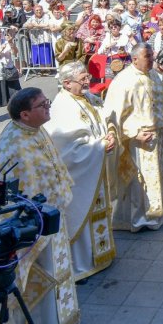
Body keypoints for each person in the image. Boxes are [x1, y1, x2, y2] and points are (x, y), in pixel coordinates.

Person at [0, 89, 80, 324]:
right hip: (32, 230)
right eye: (42, 105)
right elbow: (10, 198)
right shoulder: (13, 145)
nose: (48, 107)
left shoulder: (35, 130)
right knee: (39, 279)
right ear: (24, 114)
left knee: (56, 272)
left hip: (50, 219)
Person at [46, 62, 117, 280]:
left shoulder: (83, 98)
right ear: (67, 83)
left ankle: (100, 255)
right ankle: (83, 263)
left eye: (87, 77)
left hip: (94, 168)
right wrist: (100, 146)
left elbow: (103, 116)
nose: (88, 82)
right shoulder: (63, 106)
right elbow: (68, 151)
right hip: (80, 174)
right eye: (83, 79)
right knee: (82, 213)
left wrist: (111, 131)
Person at [104, 47, 163, 230]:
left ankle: (158, 214)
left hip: (155, 135)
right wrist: (133, 134)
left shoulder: (153, 75)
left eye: (152, 56)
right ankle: (138, 219)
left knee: (159, 176)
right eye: (147, 56)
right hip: (137, 138)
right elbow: (113, 115)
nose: (151, 60)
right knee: (138, 180)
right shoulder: (124, 81)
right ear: (134, 59)